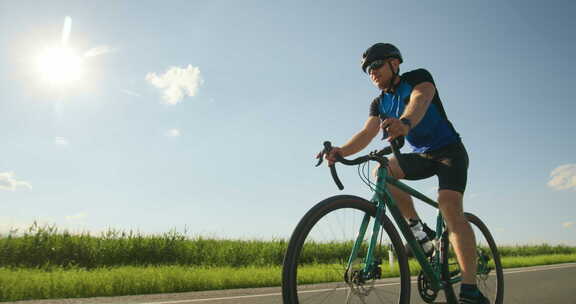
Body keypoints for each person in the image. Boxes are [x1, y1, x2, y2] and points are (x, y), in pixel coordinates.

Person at [325, 43, 489, 304]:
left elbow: (420, 100)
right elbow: (367, 133)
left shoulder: (417, 78)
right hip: (421, 156)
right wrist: (341, 151)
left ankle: (470, 289)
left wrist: (405, 123)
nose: (372, 73)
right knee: (382, 169)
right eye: (368, 70)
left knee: (449, 207)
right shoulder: (379, 103)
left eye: (376, 65)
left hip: (449, 153)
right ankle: (418, 230)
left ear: (394, 63)